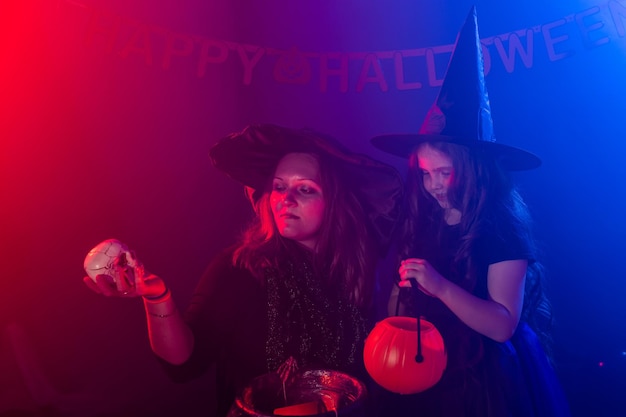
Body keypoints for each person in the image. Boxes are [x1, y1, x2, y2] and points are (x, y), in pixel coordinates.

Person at [83, 123, 403, 416]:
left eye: (304, 189)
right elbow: (184, 364)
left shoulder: (354, 273)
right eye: (279, 187)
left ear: (334, 202)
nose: (285, 199)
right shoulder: (241, 268)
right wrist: (157, 297)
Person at [369, 7, 571, 417]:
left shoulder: (503, 232)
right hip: (427, 365)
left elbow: (502, 324)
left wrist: (440, 286)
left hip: (484, 379)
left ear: (474, 171)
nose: (434, 185)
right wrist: (400, 289)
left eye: (445, 173)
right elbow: (398, 309)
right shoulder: (425, 220)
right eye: (426, 175)